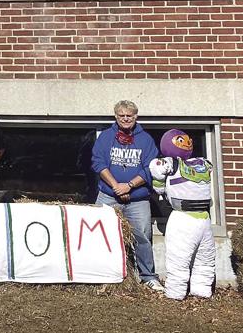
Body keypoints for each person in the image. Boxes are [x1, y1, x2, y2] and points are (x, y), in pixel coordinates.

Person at [91, 100, 163, 291]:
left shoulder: (145, 140)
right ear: (116, 116)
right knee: (99, 234)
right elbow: (98, 163)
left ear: (135, 117)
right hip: (108, 195)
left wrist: (129, 186)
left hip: (138, 199)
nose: (125, 119)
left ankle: (148, 276)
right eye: (121, 115)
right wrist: (116, 186)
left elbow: (150, 168)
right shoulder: (106, 137)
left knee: (143, 237)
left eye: (129, 115)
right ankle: (99, 273)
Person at [149, 129, 216, 300]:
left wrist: (160, 187)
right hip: (196, 217)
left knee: (192, 258)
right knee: (194, 259)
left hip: (191, 219)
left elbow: (157, 173)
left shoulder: (172, 164)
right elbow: (157, 169)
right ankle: (186, 291)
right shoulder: (199, 163)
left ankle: (188, 291)